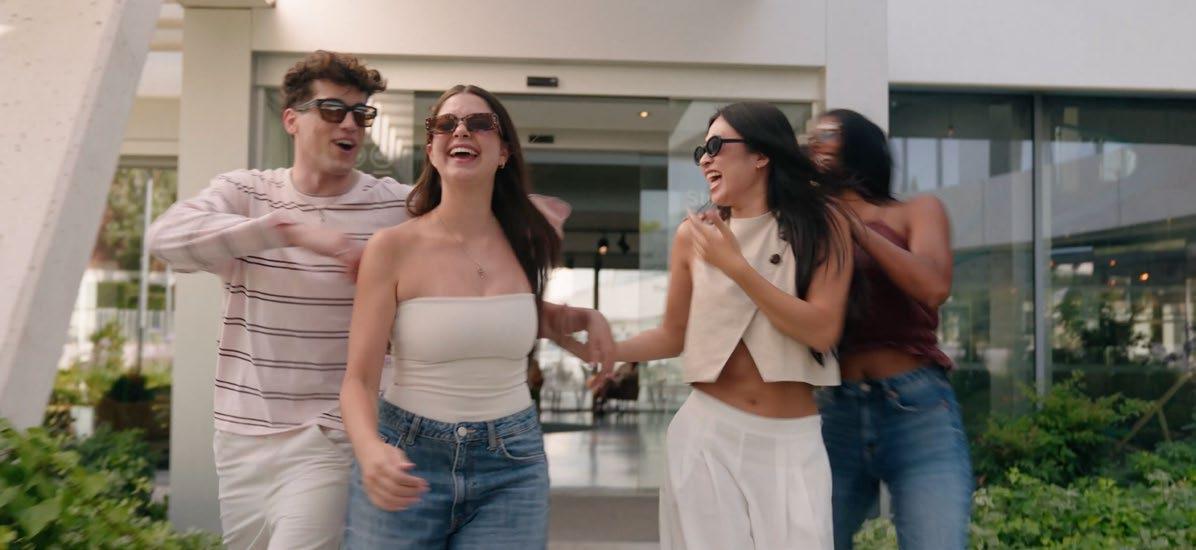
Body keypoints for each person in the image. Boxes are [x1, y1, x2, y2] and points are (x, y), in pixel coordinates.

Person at [147, 52, 609, 549]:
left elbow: (467, 272)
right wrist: (290, 231)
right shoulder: (246, 194)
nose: (349, 124)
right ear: (291, 120)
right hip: (243, 432)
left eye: (361, 114)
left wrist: (560, 315)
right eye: (332, 110)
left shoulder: (394, 207)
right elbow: (165, 240)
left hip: (334, 431)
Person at [339, 84, 610, 549]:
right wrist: (370, 451)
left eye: (480, 123)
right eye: (446, 124)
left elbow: (500, 320)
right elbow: (358, 381)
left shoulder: (528, 241)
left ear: (503, 152)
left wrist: (585, 317)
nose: (461, 130)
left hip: (512, 463)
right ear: (431, 149)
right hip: (406, 456)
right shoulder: (392, 247)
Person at [614, 102, 853, 549]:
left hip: (791, 442)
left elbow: (822, 330)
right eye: (701, 151)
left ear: (761, 154)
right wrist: (605, 348)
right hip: (706, 435)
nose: (705, 160)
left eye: (716, 146)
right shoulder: (693, 235)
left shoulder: (823, 225)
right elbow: (672, 335)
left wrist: (736, 267)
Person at [809, 109, 973, 549]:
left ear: (860, 144)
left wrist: (856, 228)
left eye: (827, 134)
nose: (814, 143)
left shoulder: (915, 212)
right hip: (835, 409)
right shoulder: (812, 225)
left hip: (917, 408)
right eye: (811, 137)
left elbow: (933, 286)